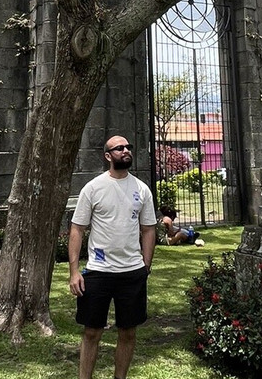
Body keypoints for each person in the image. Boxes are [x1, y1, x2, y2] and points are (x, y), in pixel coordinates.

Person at [69, 136, 157, 379]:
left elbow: (149, 228)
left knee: (128, 332)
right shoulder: (93, 188)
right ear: (108, 156)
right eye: (119, 148)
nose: (126, 150)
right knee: (92, 332)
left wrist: (145, 265)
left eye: (128, 147)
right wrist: (74, 272)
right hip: (98, 271)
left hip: (132, 272)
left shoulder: (141, 189)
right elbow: (77, 228)